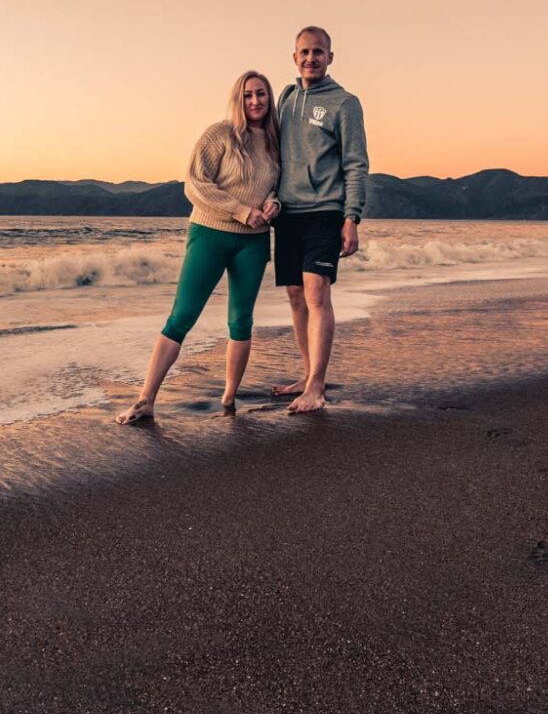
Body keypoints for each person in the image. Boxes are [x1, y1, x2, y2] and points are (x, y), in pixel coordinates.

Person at [115, 72, 281, 424]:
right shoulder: (219, 134)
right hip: (210, 233)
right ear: (239, 98)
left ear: (269, 98)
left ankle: (229, 398)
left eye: (261, 94)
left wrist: (273, 204)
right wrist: (240, 210)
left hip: (253, 242)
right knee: (182, 317)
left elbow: (275, 187)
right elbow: (195, 184)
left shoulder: (274, 142)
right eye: (248, 95)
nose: (255, 101)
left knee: (241, 321)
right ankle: (146, 399)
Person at [271, 25, 369, 414]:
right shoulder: (287, 97)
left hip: (325, 212)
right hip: (288, 214)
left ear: (330, 57)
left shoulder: (345, 103)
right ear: (294, 57)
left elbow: (356, 164)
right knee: (296, 297)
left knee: (316, 295)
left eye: (318, 52)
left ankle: (316, 386)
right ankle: (307, 371)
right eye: (304, 52)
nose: (311, 58)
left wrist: (352, 218)